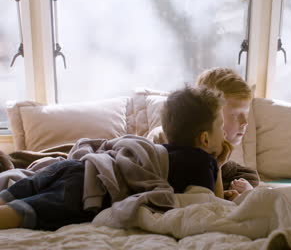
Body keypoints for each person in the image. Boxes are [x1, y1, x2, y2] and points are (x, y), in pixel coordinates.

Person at [0, 86, 231, 230]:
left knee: (15, 195)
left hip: (77, 166)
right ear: (204, 139)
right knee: (22, 213)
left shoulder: (159, 153)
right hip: (91, 190)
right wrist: (217, 167)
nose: (225, 133)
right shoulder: (203, 163)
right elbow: (212, 205)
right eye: (221, 126)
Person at [195, 67, 258, 199]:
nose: (244, 122)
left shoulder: (228, 164)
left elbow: (249, 176)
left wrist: (246, 190)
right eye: (235, 114)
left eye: (246, 114)